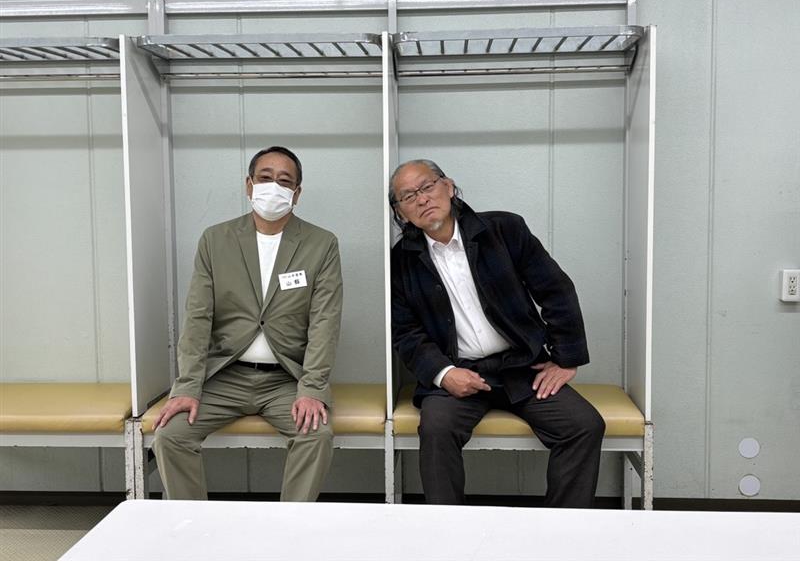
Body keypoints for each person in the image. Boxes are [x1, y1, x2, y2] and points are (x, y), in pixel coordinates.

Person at [389, 159, 605, 507]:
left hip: (522, 367)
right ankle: (447, 530)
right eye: (408, 196)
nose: (422, 199)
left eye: (427, 186)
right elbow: (406, 332)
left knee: (584, 426)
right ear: (401, 212)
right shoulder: (401, 261)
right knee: (436, 430)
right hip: (458, 372)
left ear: (449, 186)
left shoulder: (504, 230)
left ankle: (563, 528)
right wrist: (444, 374)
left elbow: (555, 289)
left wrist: (566, 358)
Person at [152, 146, 343, 501]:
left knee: (316, 435)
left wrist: (312, 388)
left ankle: (290, 525)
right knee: (171, 435)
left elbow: (325, 323)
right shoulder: (216, 240)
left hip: (286, 379)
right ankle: (195, 524)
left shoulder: (321, 244)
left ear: (297, 193)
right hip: (224, 374)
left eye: (285, 181)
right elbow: (197, 318)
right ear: (249, 184)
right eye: (265, 178)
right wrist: (187, 387)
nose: (274, 187)